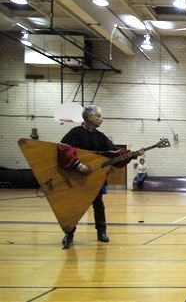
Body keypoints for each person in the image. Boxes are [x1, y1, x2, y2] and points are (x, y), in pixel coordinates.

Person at [57, 105, 143, 249]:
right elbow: (63, 150)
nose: (101, 119)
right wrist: (78, 165)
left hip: (94, 178)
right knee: (74, 207)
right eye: (99, 116)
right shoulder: (74, 133)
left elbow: (115, 153)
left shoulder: (100, 137)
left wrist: (133, 154)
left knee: (98, 205)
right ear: (89, 117)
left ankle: (101, 232)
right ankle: (69, 234)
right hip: (76, 179)